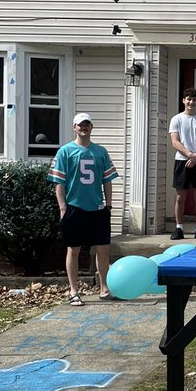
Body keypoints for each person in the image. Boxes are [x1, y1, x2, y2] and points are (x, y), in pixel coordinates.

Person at [48, 112, 119, 306]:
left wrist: (109, 204)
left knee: (103, 249)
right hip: (74, 207)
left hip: (97, 207)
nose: (84, 128)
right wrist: (63, 206)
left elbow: (107, 180)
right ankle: (73, 290)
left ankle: (104, 288)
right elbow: (59, 182)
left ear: (91, 127)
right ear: (74, 127)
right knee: (74, 249)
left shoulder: (100, 151)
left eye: (87, 124)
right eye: (80, 125)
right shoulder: (65, 151)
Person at [169, 87, 196, 241]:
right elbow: (175, 141)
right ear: (183, 100)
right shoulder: (176, 119)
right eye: (188, 99)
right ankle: (179, 228)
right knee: (180, 197)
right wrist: (189, 155)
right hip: (182, 162)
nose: (191, 102)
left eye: (194, 99)